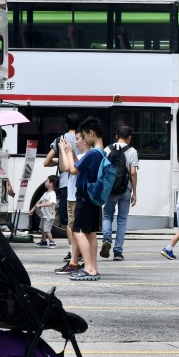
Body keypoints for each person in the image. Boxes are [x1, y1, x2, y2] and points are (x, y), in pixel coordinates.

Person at [58, 116, 103, 281]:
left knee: (78, 231)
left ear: (91, 133)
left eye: (83, 135)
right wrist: (72, 154)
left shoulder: (92, 153)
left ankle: (89, 268)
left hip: (84, 197)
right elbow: (79, 166)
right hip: (92, 197)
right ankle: (93, 267)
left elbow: (72, 170)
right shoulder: (99, 153)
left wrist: (68, 151)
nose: (82, 139)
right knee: (90, 233)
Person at [43, 113, 82, 275]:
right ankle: (79, 251)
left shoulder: (61, 140)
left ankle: (72, 252)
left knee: (68, 222)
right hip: (81, 183)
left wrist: (60, 161)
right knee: (79, 221)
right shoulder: (83, 139)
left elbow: (46, 162)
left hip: (66, 183)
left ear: (66, 124)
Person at [100, 125, 139, 261]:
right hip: (125, 188)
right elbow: (133, 172)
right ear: (129, 138)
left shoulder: (107, 149)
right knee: (122, 220)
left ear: (116, 137)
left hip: (110, 189)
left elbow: (103, 169)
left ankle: (106, 239)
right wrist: (134, 192)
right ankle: (118, 252)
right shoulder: (132, 151)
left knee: (107, 216)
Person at [30, 175, 59, 248]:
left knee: (47, 230)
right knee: (42, 228)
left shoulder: (52, 194)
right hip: (44, 215)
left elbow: (51, 203)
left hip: (49, 216)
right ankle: (43, 241)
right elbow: (38, 202)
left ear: (51, 184)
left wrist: (41, 205)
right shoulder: (45, 193)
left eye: (47, 181)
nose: (45, 182)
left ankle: (52, 242)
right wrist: (33, 209)